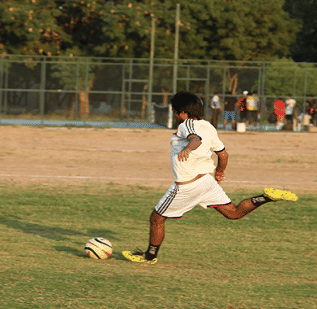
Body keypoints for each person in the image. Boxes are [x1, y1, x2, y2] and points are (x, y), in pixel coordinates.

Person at [122, 91, 298, 264]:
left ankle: (149, 257)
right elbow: (224, 155)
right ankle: (266, 197)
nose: (175, 116)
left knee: (157, 218)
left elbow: (195, 139)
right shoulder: (209, 127)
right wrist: (219, 173)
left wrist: (188, 148)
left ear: (183, 113)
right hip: (206, 182)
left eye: (175, 112)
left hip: (187, 185)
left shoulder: (187, 124)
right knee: (234, 213)